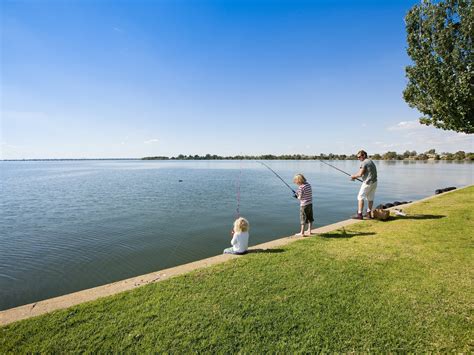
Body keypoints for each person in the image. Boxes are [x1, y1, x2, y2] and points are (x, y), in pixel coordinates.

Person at [351, 150, 378, 219]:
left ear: (363, 155)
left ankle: (359, 214)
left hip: (368, 183)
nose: (358, 158)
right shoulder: (370, 161)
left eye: (359, 157)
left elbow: (360, 174)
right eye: (357, 157)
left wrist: (353, 176)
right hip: (374, 182)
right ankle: (369, 214)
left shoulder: (364, 162)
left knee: (360, 197)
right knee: (370, 198)